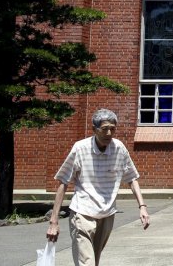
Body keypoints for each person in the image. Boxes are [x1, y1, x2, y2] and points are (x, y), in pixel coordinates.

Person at [46, 109, 150, 265]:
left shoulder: (119, 149)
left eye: (112, 129)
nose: (109, 133)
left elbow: (132, 178)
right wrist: (54, 221)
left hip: (107, 214)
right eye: (104, 129)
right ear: (94, 129)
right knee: (86, 262)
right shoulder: (80, 148)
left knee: (94, 260)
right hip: (82, 213)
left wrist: (142, 206)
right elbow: (63, 182)